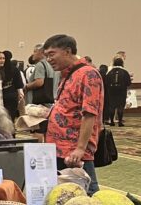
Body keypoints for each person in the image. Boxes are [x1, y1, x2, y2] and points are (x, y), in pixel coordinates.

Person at [43, 34, 103, 192]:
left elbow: (90, 114)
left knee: (88, 193)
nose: (48, 59)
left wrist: (80, 149)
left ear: (67, 51)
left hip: (74, 150)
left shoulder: (88, 74)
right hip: (58, 146)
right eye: (46, 55)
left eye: (51, 54)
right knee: (63, 194)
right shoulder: (67, 75)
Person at [0, 50, 25, 123]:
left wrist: (20, 93)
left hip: (6, 97)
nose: (2, 60)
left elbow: (19, 84)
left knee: (5, 120)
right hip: (4, 97)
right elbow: (19, 85)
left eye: (3, 58)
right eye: (0, 58)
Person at [103, 57, 132, 127]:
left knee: (112, 106)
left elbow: (106, 82)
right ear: (122, 63)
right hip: (122, 91)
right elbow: (128, 83)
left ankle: (112, 121)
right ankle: (120, 122)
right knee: (120, 106)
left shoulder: (110, 72)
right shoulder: (125, 72)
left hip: (112, 91)